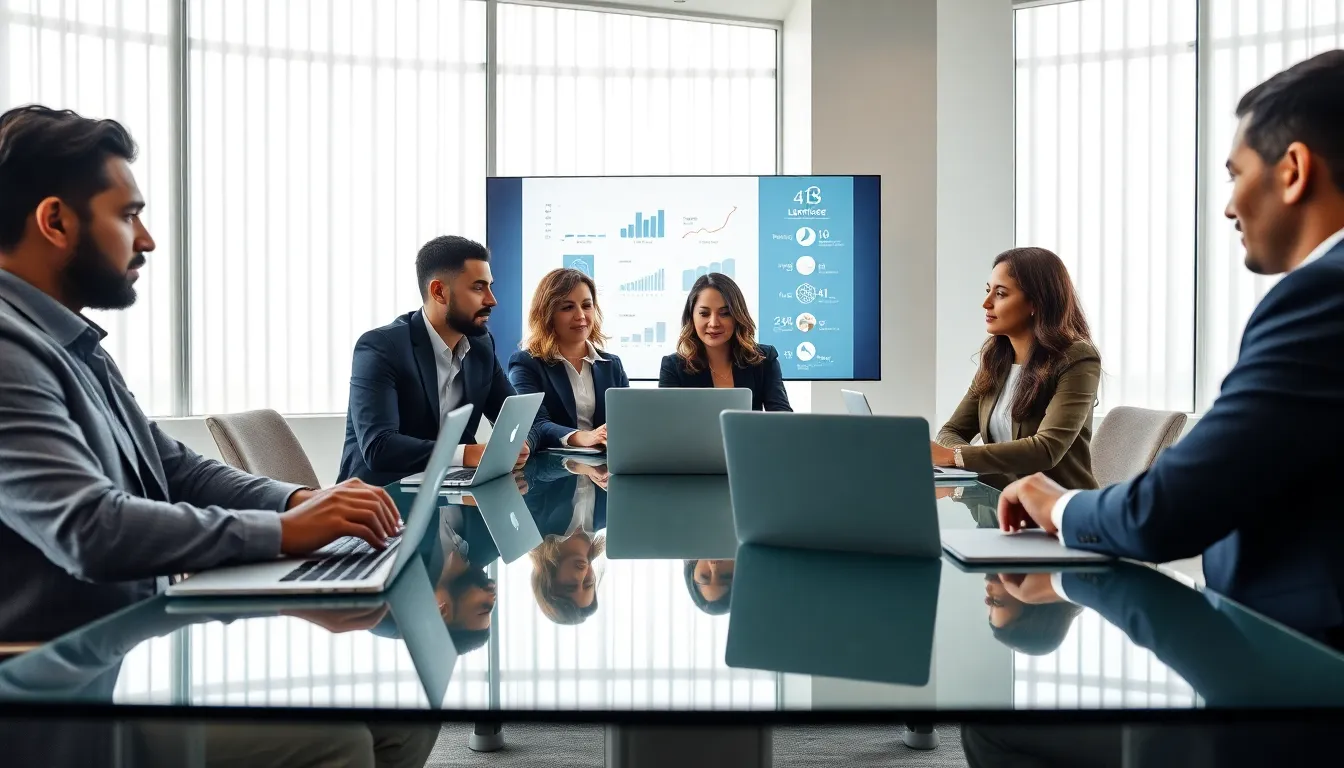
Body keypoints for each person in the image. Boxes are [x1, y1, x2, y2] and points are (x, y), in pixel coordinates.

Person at [0, 105, 400, 643]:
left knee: (398, 721)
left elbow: (175, 469)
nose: (146, 240)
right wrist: (285, 532)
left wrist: (297, 501)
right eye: (127, 215)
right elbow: (89, 529)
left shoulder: (73, 341)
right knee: (357, 727)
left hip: (139, 641)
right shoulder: (8, 350)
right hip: (65, 689)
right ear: (55, 221)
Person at [997, 50, 1344, 648]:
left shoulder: (1320, 297)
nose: (1230, 205)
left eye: (1236, 174)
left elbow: (1171, 510)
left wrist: (1057, 506)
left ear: (1292, 169)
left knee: (1003, 739)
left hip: (1292, 664)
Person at [338, 235, 538, 487]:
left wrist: (521, 443)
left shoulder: (480, 345)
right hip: (381, 501)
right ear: (439, 292)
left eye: (490, 286)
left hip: (453, 497)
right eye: (478, 287)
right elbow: (380, 447)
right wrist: (466, 454)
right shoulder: (381, 347)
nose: (492, 300)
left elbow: (517, 415)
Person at [934, 247, 1101, 490]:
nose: (986, 303)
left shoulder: (1077, 358)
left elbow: (1046, 449)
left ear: (1036, 303)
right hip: (998, 505)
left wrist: (954, 457)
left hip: (1056, 512)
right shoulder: (996, 359)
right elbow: (952, 430)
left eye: (1000, 294)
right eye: (988, 290)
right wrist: (958, 456)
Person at [508, 268, 629, 450]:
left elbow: (628, 420)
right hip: (551, 471)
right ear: (547, 315)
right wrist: (584, 437)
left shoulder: (612, 365)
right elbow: (535, 423)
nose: (580, 316)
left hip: (605, 469)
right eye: (567, 307)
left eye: (587, 305)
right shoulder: (527, 363)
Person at [658, 272, 792, 412]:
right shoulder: (673, 367)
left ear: (737, 316)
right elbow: (667, 425)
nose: (714, 323)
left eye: (725, 313)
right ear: (691, 317)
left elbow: (782, 419)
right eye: (704, 314)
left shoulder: (764, 359)